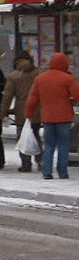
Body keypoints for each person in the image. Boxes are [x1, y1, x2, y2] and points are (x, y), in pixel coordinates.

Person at [25, 52, 79, 180]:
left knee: (49, 144)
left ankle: (47, 171)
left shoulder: (40, 78)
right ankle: (62, 171)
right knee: (63, 145)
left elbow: (32, 98)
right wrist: (69, 99)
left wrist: (28, 113)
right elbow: (76, 96)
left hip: (47, 116)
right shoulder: (67, 78)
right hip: (64, 117)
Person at [0, 50, 42, 172]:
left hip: (22, 110)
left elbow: (7, 96)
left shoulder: (14, 75)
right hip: (37, 109)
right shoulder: (39, 73)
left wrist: (3, 112)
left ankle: (26, 163)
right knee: (35, 135)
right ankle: (41, 161)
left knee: (23, 137)